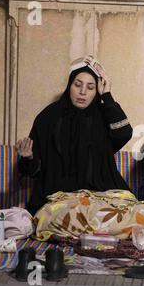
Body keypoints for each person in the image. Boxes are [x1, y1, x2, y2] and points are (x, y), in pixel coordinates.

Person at [17, 56, 132, 215]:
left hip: (100, 197)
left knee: (126, 216)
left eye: (90, 87)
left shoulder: (102, 115)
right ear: (69, 85)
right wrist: (28, 158)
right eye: (77, 85)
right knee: (66, 218)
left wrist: (107, 95)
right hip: (59, 201)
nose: (82, 92)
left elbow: (124, 133)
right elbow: (35, 172)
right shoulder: (49, 117)